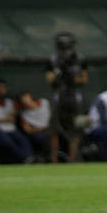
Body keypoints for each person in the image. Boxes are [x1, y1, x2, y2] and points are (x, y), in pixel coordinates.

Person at [45, 32, 88, 163]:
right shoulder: (53, 60)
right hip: (59, 97)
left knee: (75, 131)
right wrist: (58, 74)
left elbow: (84, 79)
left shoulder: (80, 59)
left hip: (74, 97)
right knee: (54, 131)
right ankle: (54, 160)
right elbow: (49, 79)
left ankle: (72, 160)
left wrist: (72, 76)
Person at [0, 79, 32, 163]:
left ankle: (29, 159)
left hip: (11, 129)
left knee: (24, 140)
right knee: (7, 142)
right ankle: (22, 159)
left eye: (3, 88)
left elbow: (23, 108)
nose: (1, 90)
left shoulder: (10, 102)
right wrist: (5, 119)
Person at [18, 91, 52, 159]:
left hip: (52, 129)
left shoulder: (44, 102)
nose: (25, 101)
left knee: (54, 134)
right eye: (22, 100)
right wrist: (41, 128)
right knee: (40, 137)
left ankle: (54, 158)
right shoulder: (24, 114)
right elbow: (28, 130)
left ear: (29, 96)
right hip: (38, 133)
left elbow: (53, 116)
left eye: (25, 97)